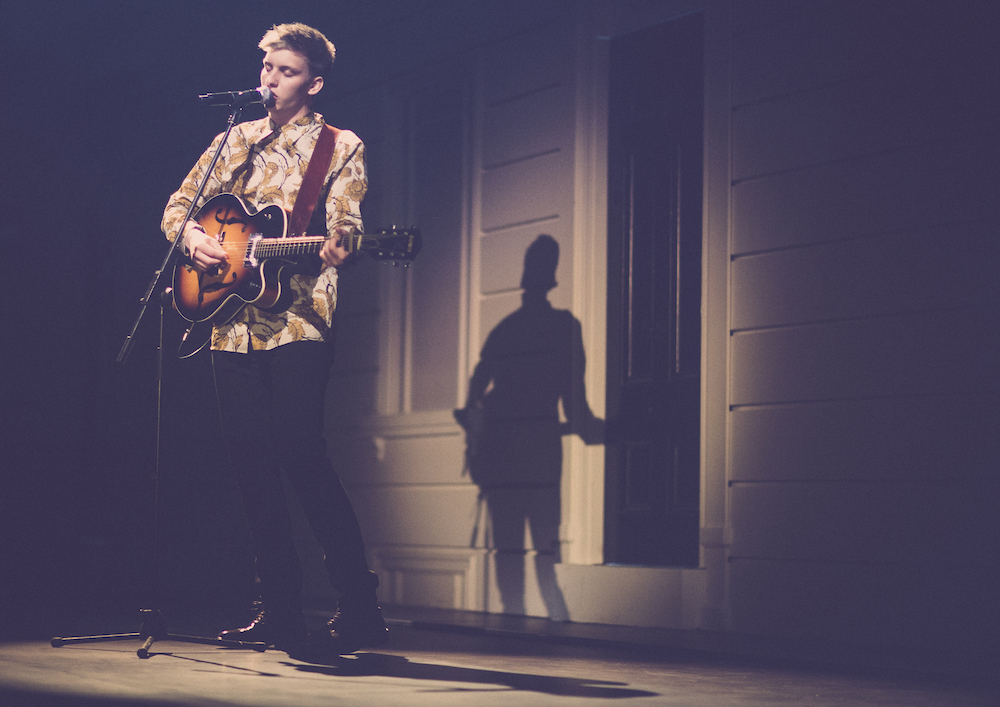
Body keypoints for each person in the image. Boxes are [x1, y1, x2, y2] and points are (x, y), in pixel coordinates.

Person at [161, 22, 386, 654]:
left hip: (298, 320)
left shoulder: (340, 145)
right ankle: (279, 609)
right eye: (266, 68)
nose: (269, 80)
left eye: (284, 71)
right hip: (230, 323)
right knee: (250, 467)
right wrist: (195, 239)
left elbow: (346, 217)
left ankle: (360, 604)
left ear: (312, 82)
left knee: (302, 456)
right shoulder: (233, 138)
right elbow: (178, 207)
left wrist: (344, 243)